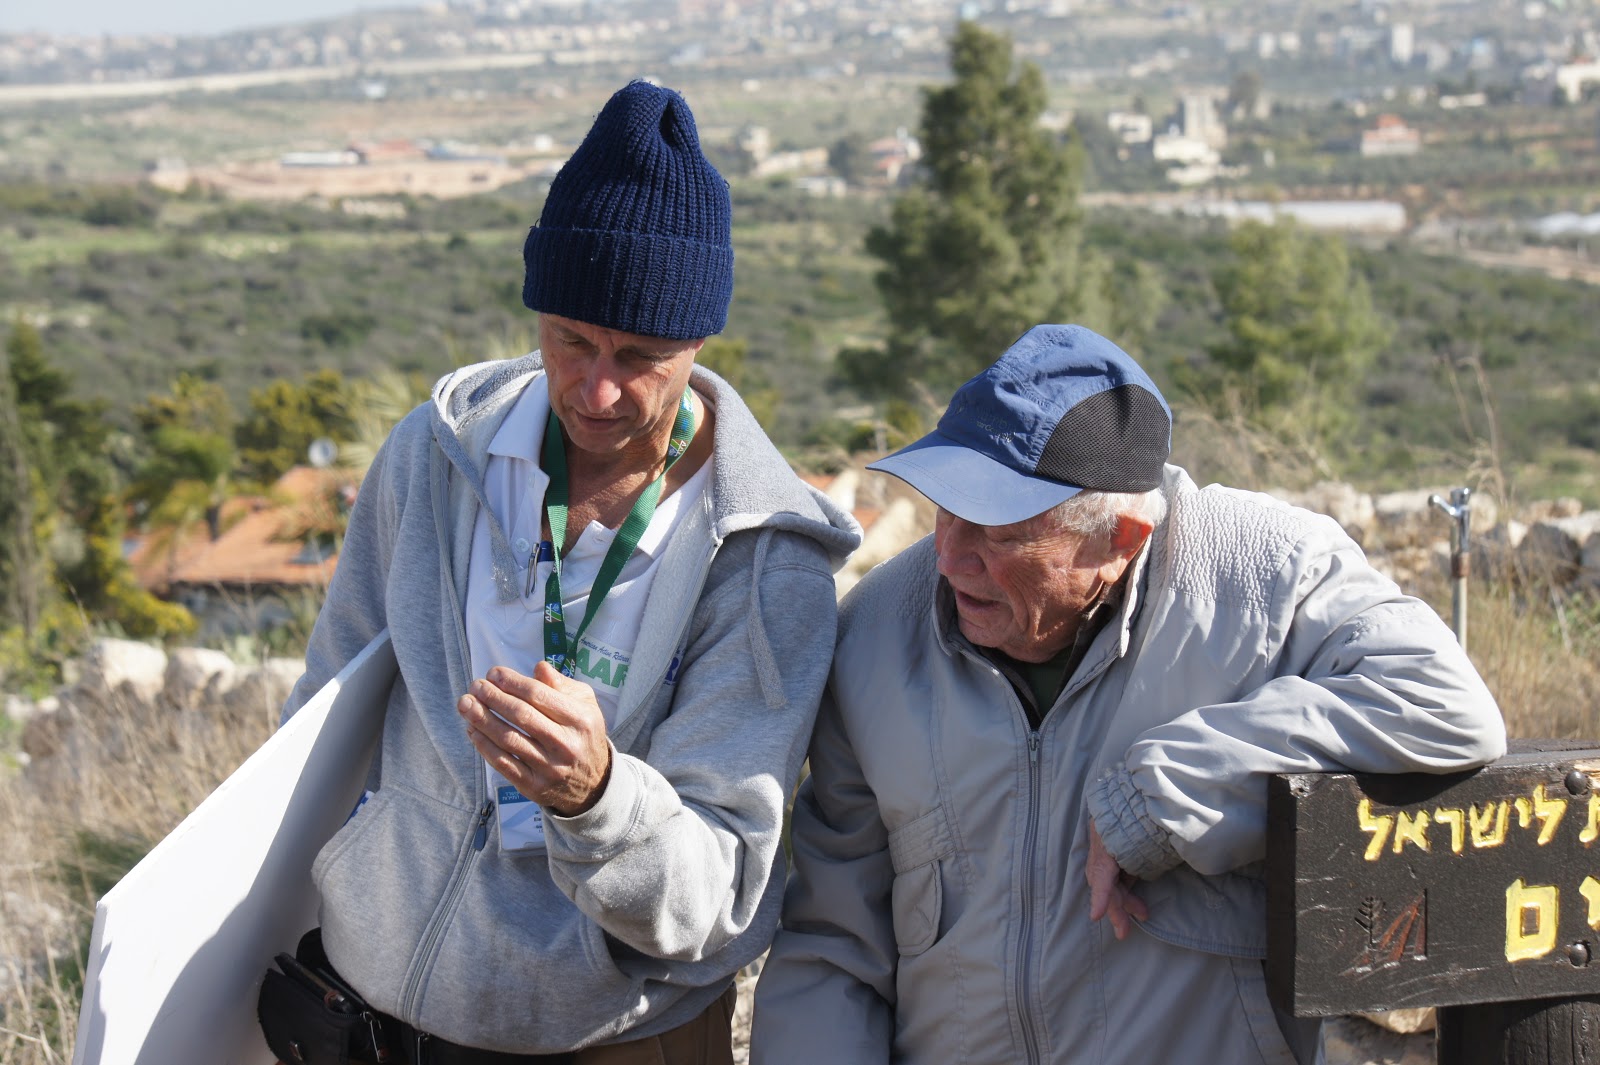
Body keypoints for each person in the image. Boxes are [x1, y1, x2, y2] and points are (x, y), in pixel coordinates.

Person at [279, 80, 860, 1064]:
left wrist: (595, 798)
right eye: (571, 341)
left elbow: (717, 893)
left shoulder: (768, 562)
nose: (596, 389)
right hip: (375, 1009)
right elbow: (324, 706)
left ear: (699, 342)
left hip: (606, 1035)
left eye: (639, 356)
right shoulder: (434, 455)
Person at [749, 324, 1506, 1064]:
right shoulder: (877, 633)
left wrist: (1168, 791)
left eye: (998, 531)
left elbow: (1441, 702)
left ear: (1120, 540)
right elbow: (833, 944)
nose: (949, 558)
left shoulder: (1265, 574)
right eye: (946, 508)